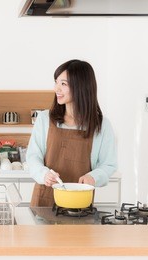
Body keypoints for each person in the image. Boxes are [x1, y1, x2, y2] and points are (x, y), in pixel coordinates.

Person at [26, 59, 117, 207]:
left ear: (81, 87)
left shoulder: (101, 125)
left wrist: (93, 177)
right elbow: (32, 157)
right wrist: (44, 174)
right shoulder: (44, 119)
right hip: (45, 200)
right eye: (56, 82)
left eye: (63, 84)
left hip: (80, 203)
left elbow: (108, 164)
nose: (57, 89)